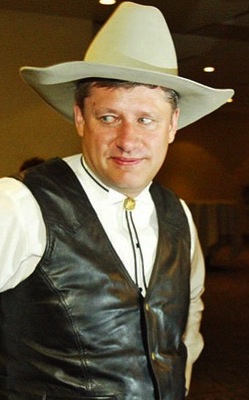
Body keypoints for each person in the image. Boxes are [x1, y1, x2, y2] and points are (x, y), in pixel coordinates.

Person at [0, 2, 234, 399]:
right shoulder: (20, 204)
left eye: (147, 119)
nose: (128, 139)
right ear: (79, 118)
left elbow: (186, 322)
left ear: (172, 125)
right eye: (109, 117)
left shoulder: (177, 214)